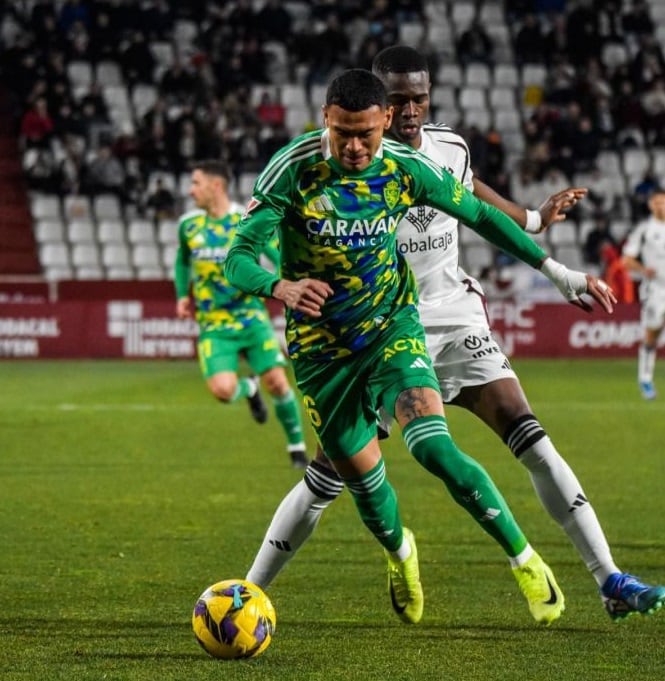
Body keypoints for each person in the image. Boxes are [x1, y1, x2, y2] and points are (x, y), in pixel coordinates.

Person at [242, 49, 665, 623]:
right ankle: (256, 589)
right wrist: (282, 285)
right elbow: (243, 252)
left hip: (434, 320)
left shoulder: (443, 152)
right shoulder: (309, 167)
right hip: (347, 337)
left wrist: (551, 255)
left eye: (417, 99)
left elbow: (479, 208)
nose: (409, 110)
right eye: (397, 99)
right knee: (332, 479)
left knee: (526, 436)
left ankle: (607, 577)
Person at [173, 159, 309, 469]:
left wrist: (290, 284)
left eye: (196, 183)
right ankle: (249, 388)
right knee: (222, 391)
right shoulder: (188, 225)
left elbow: (277, 253)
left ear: (216, 186)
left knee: (277, 381)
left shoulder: (246, 220)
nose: (191, 190)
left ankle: (297, 447)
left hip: (251, 318)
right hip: (214, 326)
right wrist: (183, 295)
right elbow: (182, 260)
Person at [621, 186, 665, 400]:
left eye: (664, 202)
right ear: (651, 205)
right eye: (657, 202)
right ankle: (645, 380)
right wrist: (643, 270)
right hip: (654, 289)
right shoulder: (644, 230)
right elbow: (627, 259)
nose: (661, 206)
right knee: (652, 336)